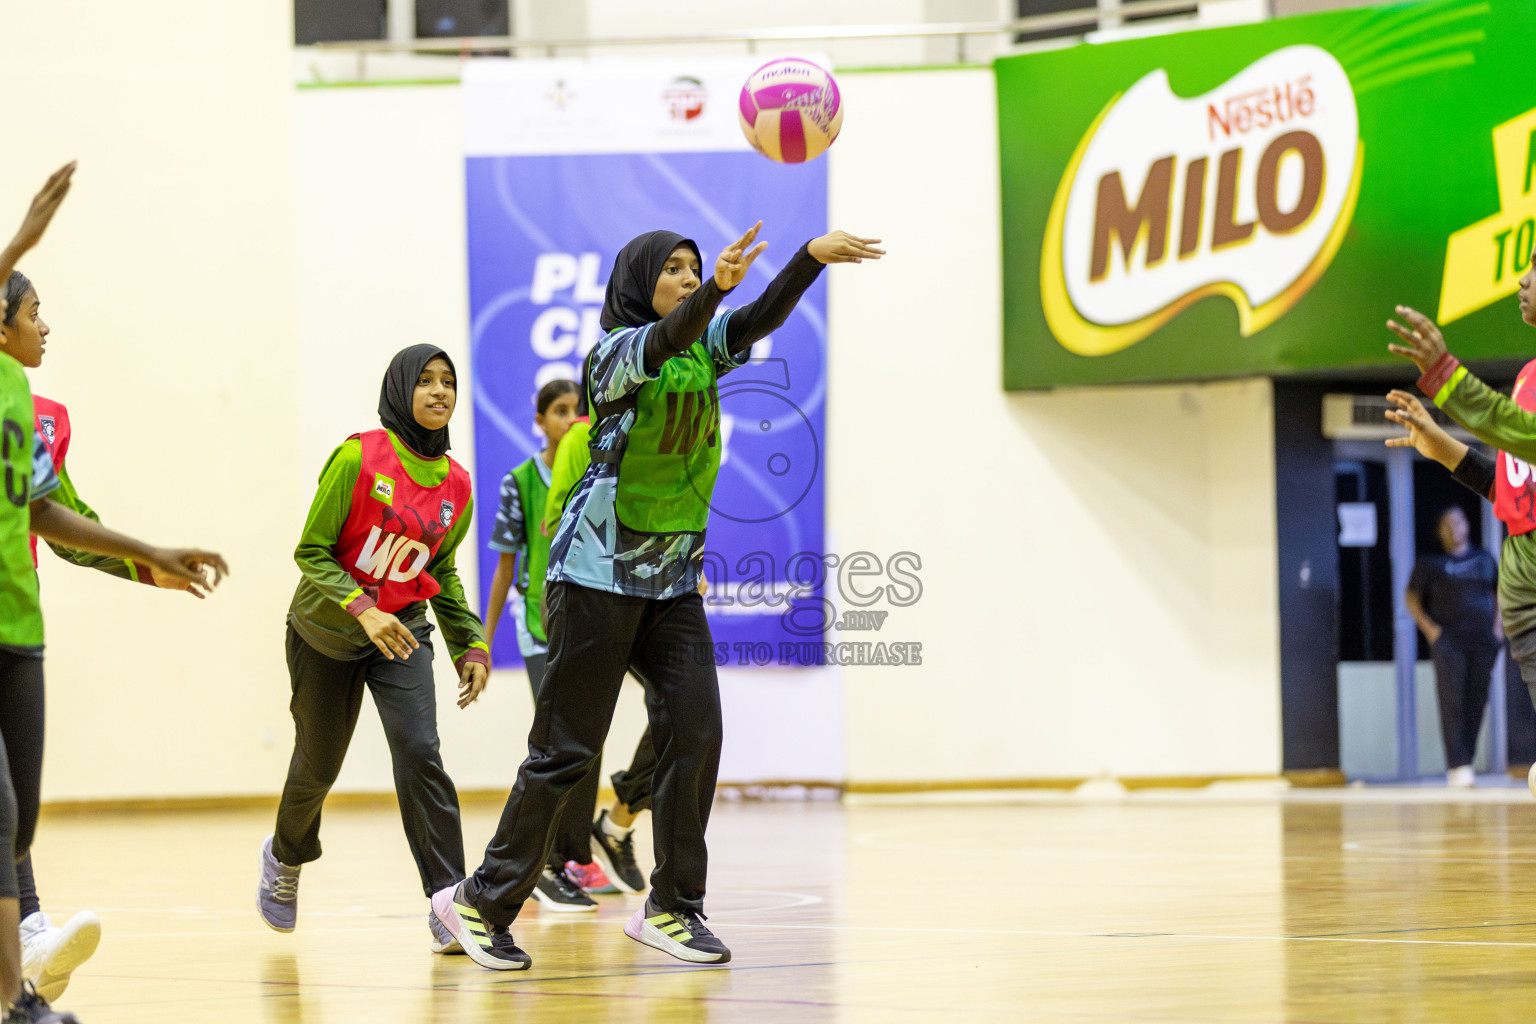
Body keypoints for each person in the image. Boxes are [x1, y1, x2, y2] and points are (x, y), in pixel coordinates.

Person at [432, 221, 883, 971]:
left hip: (671, 580)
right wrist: (713, 292)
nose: (686, 277)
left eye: (693, 268)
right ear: (641, 281)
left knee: (696, 733)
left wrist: (808, 259)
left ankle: (673, 907)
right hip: (595, 574)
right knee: (567, 752)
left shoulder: (704, 347)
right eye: (672, 268)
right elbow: (671, 334)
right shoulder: (614, 352)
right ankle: (479, 900)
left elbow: (755, 319)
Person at [2, 163, 229, 1024]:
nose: (46, 325)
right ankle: (21, 979)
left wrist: (146, 558)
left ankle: (21, 963)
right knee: (0, 812)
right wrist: (20, 242)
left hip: (18, 622)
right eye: (33, 310)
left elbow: (52, 513)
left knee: (15, 815)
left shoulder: (28, 403)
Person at [256, 345, 490, 955]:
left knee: (420, 750)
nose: (439, 391)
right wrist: (363, 607)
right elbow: (311, 551)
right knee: (318, 764)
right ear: (400, 390)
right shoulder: (359, 456)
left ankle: (448, 901)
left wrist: (470, 643)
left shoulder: (458, 486)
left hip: (402, 629)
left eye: (448, 382)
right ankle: (285, 856)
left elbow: (441, 571)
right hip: (326, 632)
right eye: (426, 380)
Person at [1384, 261, 1536, 779]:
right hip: (1524, 598)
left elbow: (1525, 435)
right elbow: (1513, 488)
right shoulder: (1528, 376)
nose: (1521, 280)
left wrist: (1447, 376)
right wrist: (1444, 450)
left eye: (1534, 269)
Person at [483, 378, 612, 909]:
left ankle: (574, 855)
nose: (571, 419)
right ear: (540, 421)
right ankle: (547, 864)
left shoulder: (598, 468)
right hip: (539, 626)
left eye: (578, 409)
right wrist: (482, 640)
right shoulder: (520, 481)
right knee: (561, 742)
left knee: (588, 742)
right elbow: (504, 566)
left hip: (589, 621)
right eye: (560, 410)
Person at [1404, 506, 1501, 787]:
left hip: (1483, 641)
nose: (1453, 527)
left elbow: (1499, 593)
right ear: (1440, 532)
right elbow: (1411, 597)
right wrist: (1431, 630)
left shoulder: (1484, 559)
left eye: (1458, 521)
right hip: (1449, 643)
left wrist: (1498, 629)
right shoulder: (1430, 563)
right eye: (1447, 524)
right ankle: (1457, 766)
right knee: (1452, 701)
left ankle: (1466, 760)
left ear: (1467, 525)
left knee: (1476, 700)